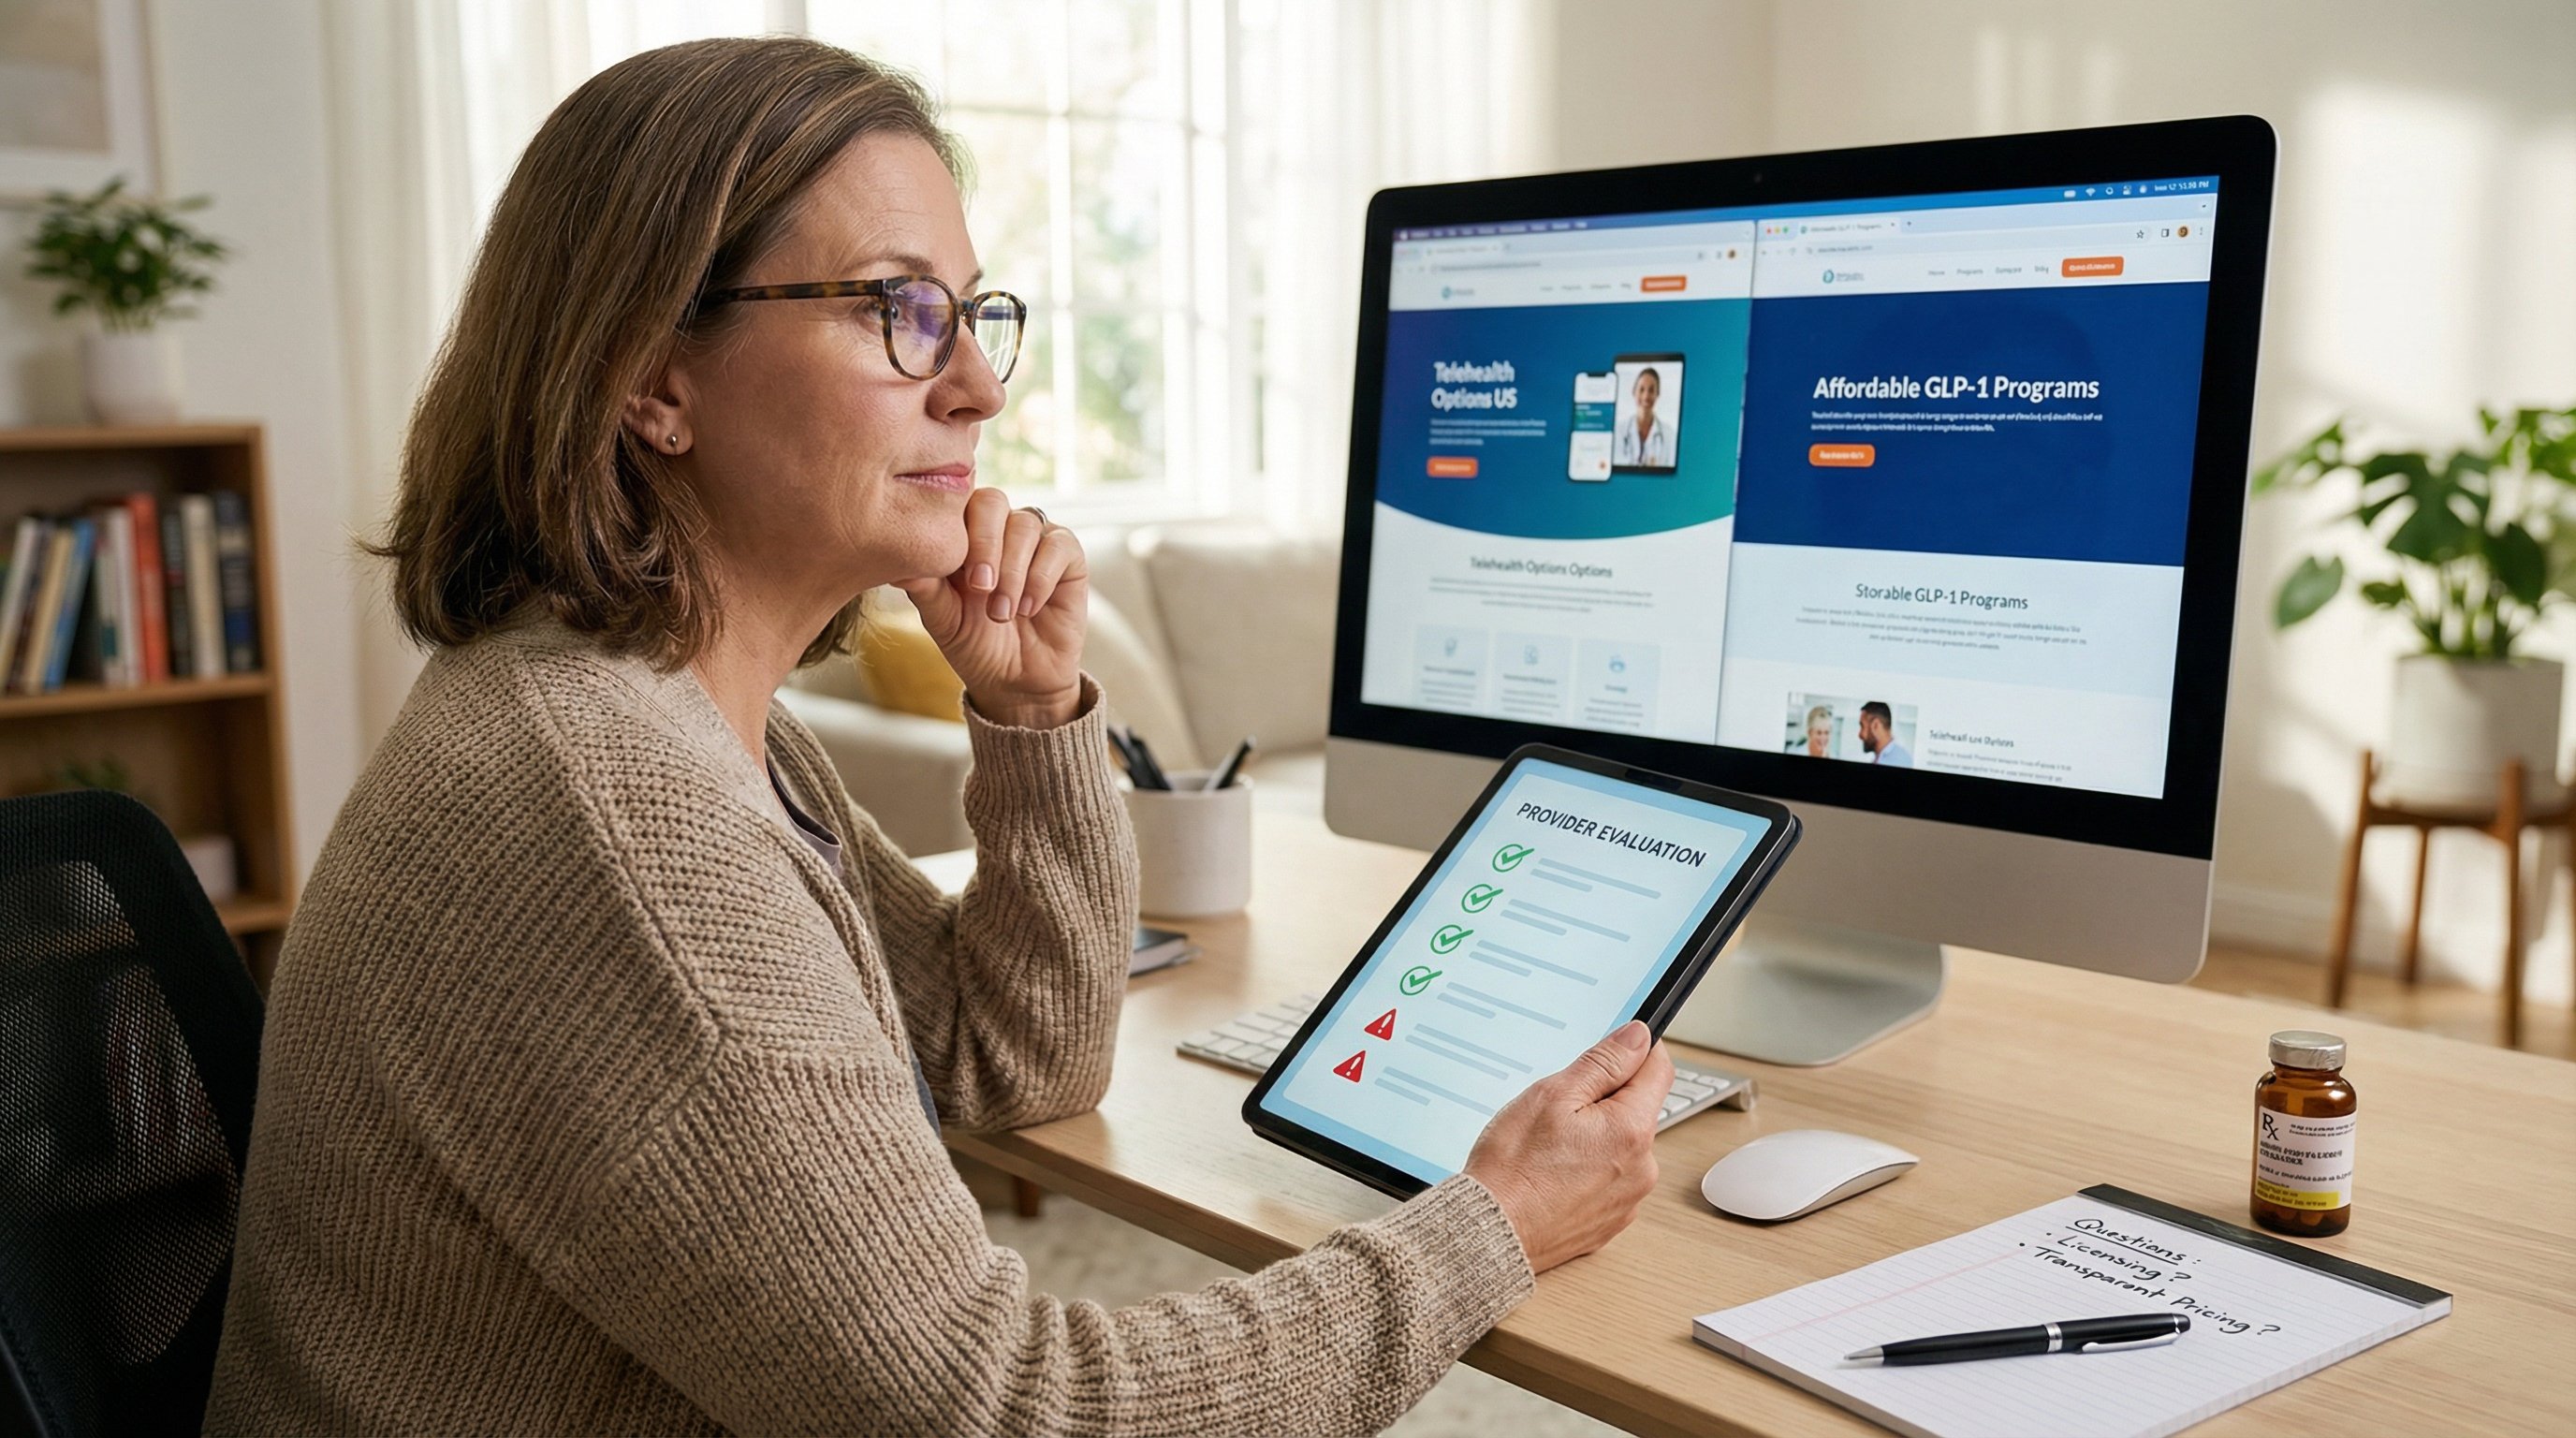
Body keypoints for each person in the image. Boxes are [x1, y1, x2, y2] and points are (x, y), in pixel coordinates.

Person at [204, 37, 1674, 1437]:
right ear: (652, 375)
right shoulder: (609, 811)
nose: (974, 383)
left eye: (974, 314)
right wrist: (1491, 1231)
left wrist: (1032, 718)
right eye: (898, 308)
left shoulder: (685, 717)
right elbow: (1000, 1411)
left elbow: (1014, 1055)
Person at [1612, 365, 1671, 466]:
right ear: (1634, 392)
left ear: (1658, 394)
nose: (1646, 396)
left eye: (1651, 390)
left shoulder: (1668, 435)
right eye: (1641, 389)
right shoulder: (1619, 431)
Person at [1859, 700, 1914, 767]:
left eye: (1862, 726)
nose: (1859, 735)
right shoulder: (1881, 759)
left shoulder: (1900, 761)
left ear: (1875, 726)